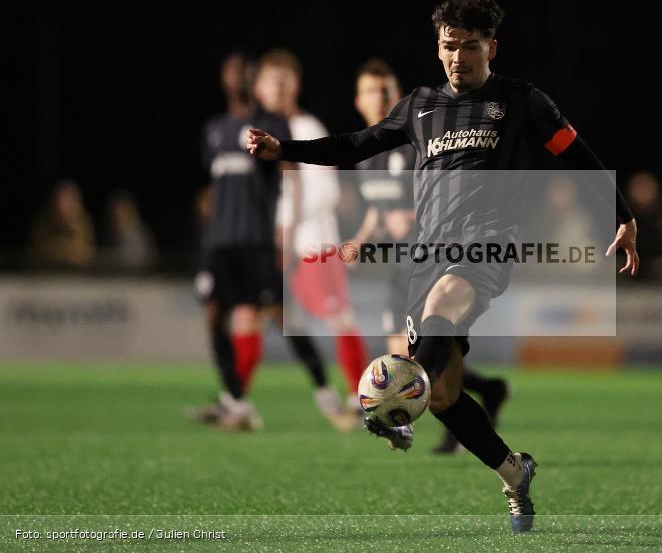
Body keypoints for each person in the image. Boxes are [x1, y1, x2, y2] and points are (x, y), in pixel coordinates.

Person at [246, 0, 638, 534]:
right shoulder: (420, 106)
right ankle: (513, 471)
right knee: (446, 396)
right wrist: (284, 150)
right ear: (437, 48)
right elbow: (356, 145)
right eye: (449, 46)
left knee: (441, 307)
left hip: (486, 245)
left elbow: (577, 154)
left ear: (491, 47)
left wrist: (623, 214)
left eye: (470, 46)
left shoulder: (521, 100)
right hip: (426, 256)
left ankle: (392, 400)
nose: (458, 56)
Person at [187, 51, 353, 432]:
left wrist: (287, 235)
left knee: (283, 317)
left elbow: (292, 177)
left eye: (243, 70)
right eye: (230, 70)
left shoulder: (271, 124)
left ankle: (325, 391)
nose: (236, 76)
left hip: (258, 241)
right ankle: (236, 401)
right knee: (218, 314)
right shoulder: (214, 129)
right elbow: (214, 187)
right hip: (220, 243)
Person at [351, 57, 508, 454]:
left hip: (430, 255)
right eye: (370, 91)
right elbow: (380, 208)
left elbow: (446, 193)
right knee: (411, 349)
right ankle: (484, 391)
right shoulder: (368, 155)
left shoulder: (411, 142)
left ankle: (404, 420)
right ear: (358, 100)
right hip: (399, 260)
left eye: (385, 90)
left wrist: (413, 215)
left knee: (413, 349)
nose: (378, 98)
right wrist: (361, 238)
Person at [255, 48, 370, 419]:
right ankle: (241, 398)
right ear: (258, 88)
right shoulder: (255, 134)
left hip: (312, 243)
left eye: (284, 83)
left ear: (296, 87)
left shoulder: (306, 130)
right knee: (270, 316)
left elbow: (326, 191)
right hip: (272, 244)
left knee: (338, 316)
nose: (277, 90)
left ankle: (360, 394)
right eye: (271, 82)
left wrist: (286, 228)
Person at [29, 180, 96, 270]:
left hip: (78, 274)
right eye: (59, 202)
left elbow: (84, 253)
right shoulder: (43, 222)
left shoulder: (82, 221)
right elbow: (41, 252)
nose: (63, 207)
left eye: (68, 203)